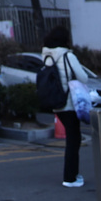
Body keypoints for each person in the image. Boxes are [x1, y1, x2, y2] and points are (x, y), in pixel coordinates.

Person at [40, 26, 92, 188]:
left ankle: (71, 175)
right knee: (73, 141)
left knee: (72, 140)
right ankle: (70, 178)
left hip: (57, 104)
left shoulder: (47, 56)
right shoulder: (68, 56)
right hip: (69, 103)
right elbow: (84, 78)